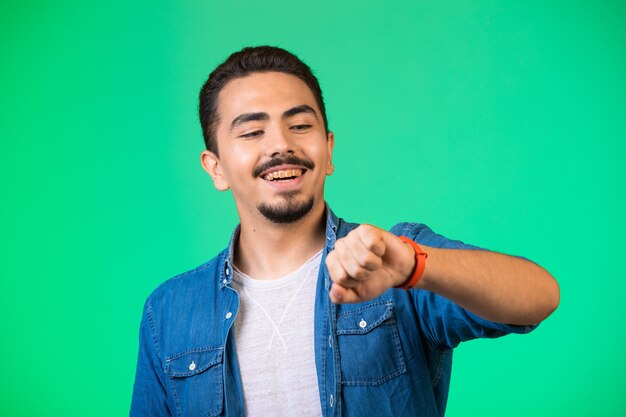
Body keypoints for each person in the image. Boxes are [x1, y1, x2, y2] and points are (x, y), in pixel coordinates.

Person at [130, 46, 559, 417]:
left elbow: (539, 297)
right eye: (252, 131)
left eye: (300, 125)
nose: (281, 145)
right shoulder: (168, 312)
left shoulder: (394, 259)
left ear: (329, 149)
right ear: (216, 167)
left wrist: (413, 265)